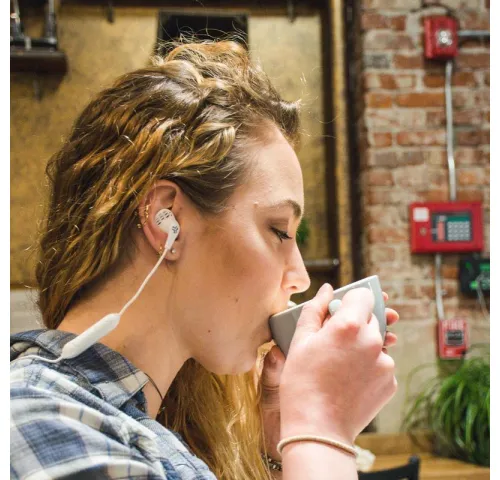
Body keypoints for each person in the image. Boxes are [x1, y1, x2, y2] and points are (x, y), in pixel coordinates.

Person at [10, 39, 399, 480]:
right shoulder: (40, 420)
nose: (300, 278)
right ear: (167, 222)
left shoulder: (143, 427)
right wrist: (321, 426)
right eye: (278, 231)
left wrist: (279, 447)